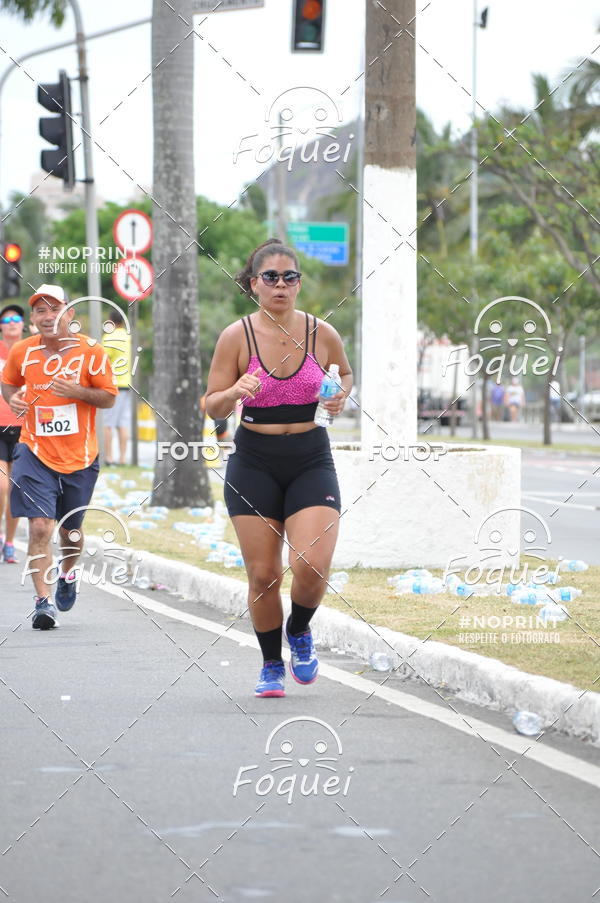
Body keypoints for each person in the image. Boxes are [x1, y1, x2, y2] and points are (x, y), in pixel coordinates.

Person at [205, 239, 352, 698]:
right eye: (271, 277)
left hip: (311, 458)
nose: (282, 285)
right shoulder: (236, 337)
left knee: (310, 564)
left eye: (291, 277)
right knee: (264, 574)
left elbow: (343, 374)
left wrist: (338, 395)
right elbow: (211, 406)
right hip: (254, 462)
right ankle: (271, 664)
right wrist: (234, 394)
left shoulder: (322, 333)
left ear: (300, 283)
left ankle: (301, 629)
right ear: (253, 284)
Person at [1, 284, 117, 629]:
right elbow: (8, 382)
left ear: (69, 314)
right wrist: (13, 400)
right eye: (40, 310)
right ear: (33, 318)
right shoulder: (23, 351)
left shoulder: (91, 352)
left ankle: (67, 574)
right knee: (39, 526)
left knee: (71, 533)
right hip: (34, 451)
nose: (47, 316)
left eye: (55, 309)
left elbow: (109, 397)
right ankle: (42, 602)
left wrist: (77, 391)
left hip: (80, 457)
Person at [0, 302, 26, 563]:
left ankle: (9, 541)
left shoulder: (32, 352)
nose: (12, 323)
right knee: (2, 486)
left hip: (23, 429)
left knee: (16, 489)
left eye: (16, 318)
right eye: (6, 320)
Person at [102, 308, 132, 465]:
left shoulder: (110, 337)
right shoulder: (128, 337)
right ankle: (122, 458)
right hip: (127, 384)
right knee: (123, 423)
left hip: (113, 385)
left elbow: (102, 360)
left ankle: (109, 457)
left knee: (108, 423)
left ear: (111, 321)